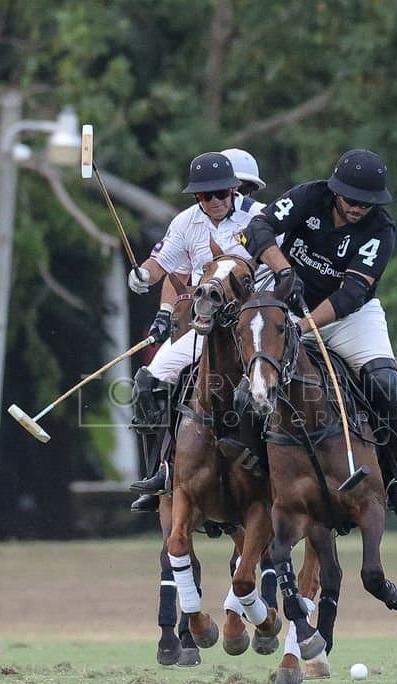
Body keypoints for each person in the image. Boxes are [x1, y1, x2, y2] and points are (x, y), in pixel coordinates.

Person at [238, 148, 397, 520]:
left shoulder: (380, 229)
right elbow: (257, 229)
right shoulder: (310, 196)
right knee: (248, 387)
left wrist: (302, 327)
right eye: (352, 200)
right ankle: (256, 464)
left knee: (387, 384)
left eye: (366, 203)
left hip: (350, 317)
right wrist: (285, 272)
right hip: (287, 302)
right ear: (337, 191)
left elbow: (352, 293)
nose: (357, 208)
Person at [126, 150, 267, 512]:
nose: (215, 201)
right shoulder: (186, 222)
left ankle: (278, 464)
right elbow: (164, 263)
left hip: (255, 327)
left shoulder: (259, 218)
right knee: (149, 380)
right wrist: (144, 276)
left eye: (222, 193)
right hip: (207, 329)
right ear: (196, 197)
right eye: (206, 195)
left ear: (234, 190)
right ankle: (162, 469)